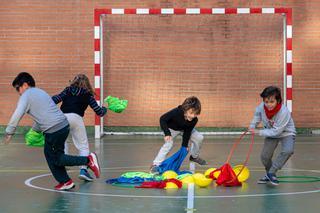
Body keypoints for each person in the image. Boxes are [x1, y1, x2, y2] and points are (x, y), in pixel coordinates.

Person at [3, 72, 101, 190]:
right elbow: (43, 115)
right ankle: (66, 181)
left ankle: (87, 160)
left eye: (18, 89)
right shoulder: (41, 92)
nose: (18, 92)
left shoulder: (26, 96)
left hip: (54, 129)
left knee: (57, 157)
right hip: (62, 125)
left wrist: (9, 131)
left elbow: (17, 113)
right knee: (51, 154)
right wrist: (35, 130)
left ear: (24, 85)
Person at [52, 74, 107, 181]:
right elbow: (99, 112)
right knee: (83, 146)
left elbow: (55, 99)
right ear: (87, 83)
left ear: (73, 81)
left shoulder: (68, 90)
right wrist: (105, 107)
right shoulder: (88, 94)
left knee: (62, 142)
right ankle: (83, 170)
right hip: (76, 118)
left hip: (62, 118)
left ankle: (64, 161)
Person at [249, 86, 296, 186]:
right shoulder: (262, 106)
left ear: (278, 101)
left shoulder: (284, 112)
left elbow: (277, 132)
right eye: (266, 101)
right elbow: (257, 115)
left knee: (288, 150)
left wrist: (259, 132)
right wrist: (252, 126)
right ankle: (270, 174)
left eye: (271, 102)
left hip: (286, 132)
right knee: (265, 157)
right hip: (271, 131)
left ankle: (271, 172)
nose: (268, 104)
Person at [150, 96, 206, 174]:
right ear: (185, 109)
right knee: (169, 143)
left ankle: (194, 157)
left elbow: (187, 131)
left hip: (184, 130)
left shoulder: (194, 120)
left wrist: (184, 146)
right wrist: (167, 133)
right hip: (171, 129)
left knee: (199, 137)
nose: (193, 116)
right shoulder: (177, 112)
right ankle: (155, 164)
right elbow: (162, 119)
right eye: (191, 113)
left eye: (195, 114)